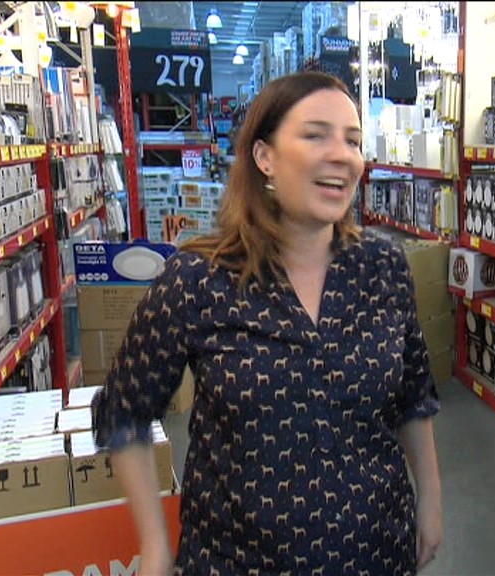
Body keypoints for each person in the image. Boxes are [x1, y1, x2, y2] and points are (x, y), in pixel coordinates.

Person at [92, 71, 443, 575]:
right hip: (238, 560)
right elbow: (123, 410)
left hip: (377, 551)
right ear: (264, 157)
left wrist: (430, 500)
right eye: (315, 135)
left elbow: (414, 397)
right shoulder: (199, 279)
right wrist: (154, 544)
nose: (342, 155)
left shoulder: (383, 269)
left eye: (352, 140)